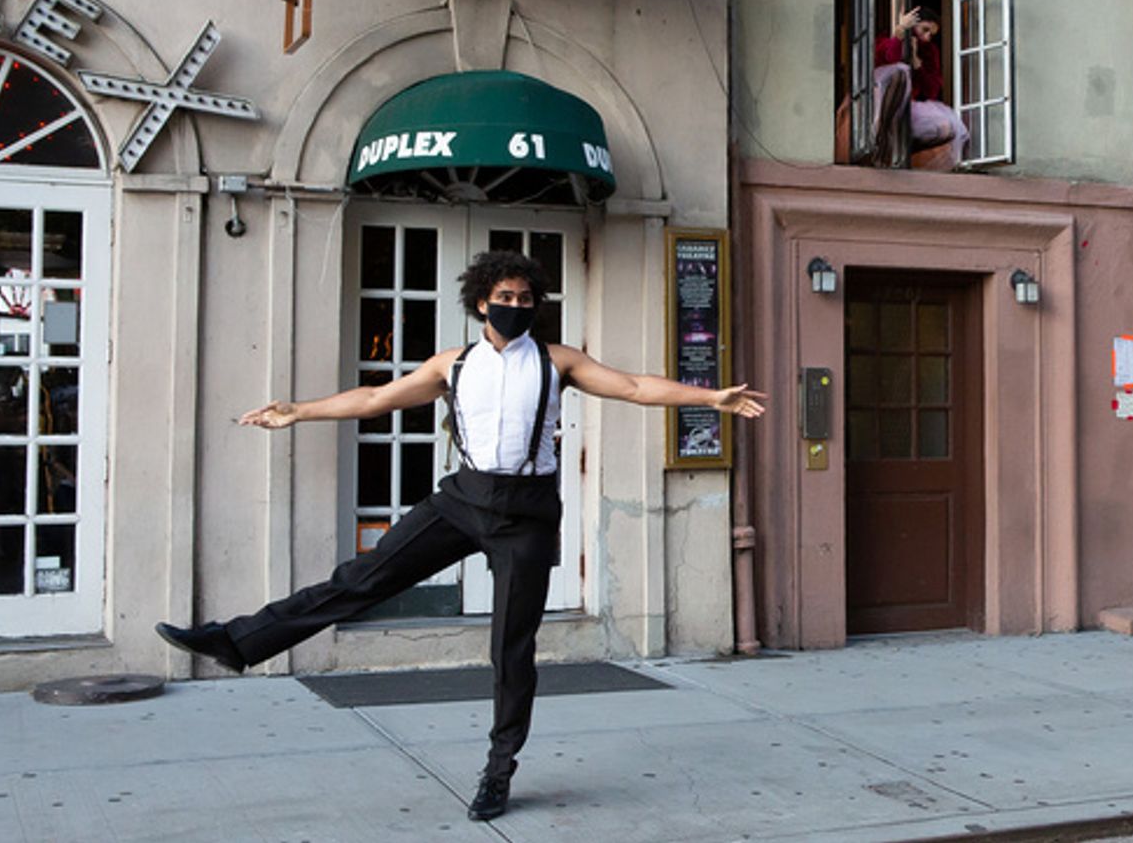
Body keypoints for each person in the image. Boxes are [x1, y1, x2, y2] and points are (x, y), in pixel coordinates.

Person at [155, 249, 767, 822]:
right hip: (463, 499)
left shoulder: (560, 361)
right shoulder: (453, 364)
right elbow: (375, 397)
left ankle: (499, 772)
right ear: (481, 302)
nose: (517, 306)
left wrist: (709, 396)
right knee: (360, 580)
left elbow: (633, 387)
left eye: (528, 298)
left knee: (510, 648)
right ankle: (237, 644)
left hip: (527, 511)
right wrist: (298, 411)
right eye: (506, 296)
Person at [871, 6, 969, 169]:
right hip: (878, 100)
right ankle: (881, 143)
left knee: (950, 127)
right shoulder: (885, 38)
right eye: (924, 30)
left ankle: (902, 152)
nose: (927, 37)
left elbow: (932, 90)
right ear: (913, 24)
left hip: (908, 108)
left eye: (931, 34)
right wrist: (900, 33)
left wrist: (918, 65)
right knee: (901, 71)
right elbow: (889, 59)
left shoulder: (929, 51)